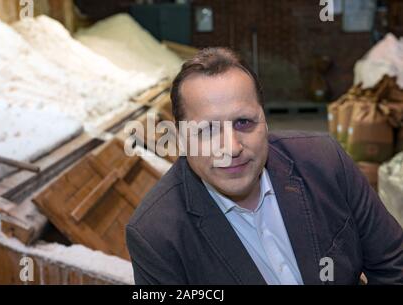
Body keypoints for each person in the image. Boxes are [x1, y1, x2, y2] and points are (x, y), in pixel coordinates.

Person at [125, 47, 403, 285]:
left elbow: (394, 267)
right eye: (207, 130)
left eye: (244, 122)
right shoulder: (156, 235)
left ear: (265, 121)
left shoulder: (325, 162)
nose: (232, 147)